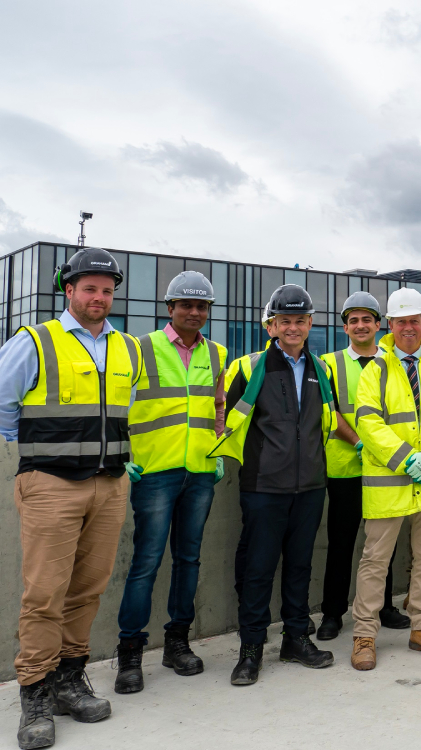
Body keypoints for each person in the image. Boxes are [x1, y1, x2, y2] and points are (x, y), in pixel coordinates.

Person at [0, 248, 141, 750]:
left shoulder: (126, 346)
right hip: (51, 485)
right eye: (90, 288)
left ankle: (69, 679)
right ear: (69, 291)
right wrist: (41, 450)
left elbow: (129, 410)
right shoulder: (36, 340)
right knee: (44, 594)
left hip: (109, 483)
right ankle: (35, 692)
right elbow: (3, 401)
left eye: (106, 290)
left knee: (87, 589)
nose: (99, 297)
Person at [212, 284, 342, 686]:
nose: (293, 327)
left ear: (310, 324)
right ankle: (250, 650)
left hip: (309, 487)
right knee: (258, 569)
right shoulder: (248, 368)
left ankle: (296, 639)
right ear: (270, 325)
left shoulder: (323, 370)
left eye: (300, 320)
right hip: (263, 486)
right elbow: (219, 416)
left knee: (300, 566)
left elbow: (331, 422)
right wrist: (216, 457)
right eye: (284, 320)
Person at [114, 271, 228, 695]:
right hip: (154, 474)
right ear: (170, 308)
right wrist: (123, 456)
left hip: (200, 473)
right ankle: (129, 653)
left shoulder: (217, 353)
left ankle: (177, 643)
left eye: (202, 307)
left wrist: (216, 451)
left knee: (189, 560)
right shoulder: (140, 349)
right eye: (187, 305)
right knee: (145, 564)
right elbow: (117, 403)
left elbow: (218, 407)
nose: (195, 312)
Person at [349, 287, 421, 668]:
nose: (409, 328)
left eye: (415, 321)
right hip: (390, 481)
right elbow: (367, 421)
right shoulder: (376, 370)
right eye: (401, 322)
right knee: (375, 561)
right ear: (390, 325)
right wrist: (406, 458)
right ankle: (365, 635)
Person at [315, 291, 410, 642]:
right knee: (341, 543)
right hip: (346, 468)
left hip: (387, 470)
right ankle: (333, 612)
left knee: (385, 545)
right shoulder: (329, 363)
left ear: (377, 325)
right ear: (345, 327)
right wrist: (360, 442)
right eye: (353, 320)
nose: (360, 325)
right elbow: (330, 412)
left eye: (366, 319)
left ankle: (383, 606)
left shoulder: (394, 361)